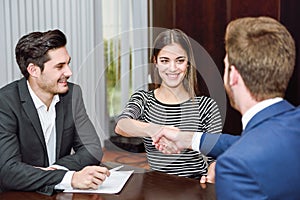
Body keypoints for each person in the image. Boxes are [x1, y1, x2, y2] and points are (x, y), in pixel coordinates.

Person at [152, 16, 300, 199]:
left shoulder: (235, 167)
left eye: (225, 66)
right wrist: (188, 139)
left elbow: (251, 150)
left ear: (233, 76)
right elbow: (259, 144)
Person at [0, 29, 110, 195]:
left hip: (59, 193)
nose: (69, 72)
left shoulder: (73, 94)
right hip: (20, 194)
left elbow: (92, 148)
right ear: (34, 70)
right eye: (60, 66)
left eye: (68, 63)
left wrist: (57, 170)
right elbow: (8, 172)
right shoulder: (6, 102)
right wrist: (69, 178)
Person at [115, 29, 223, 179]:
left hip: (194, 186)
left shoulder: (206, 106)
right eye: (165, 60)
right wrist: (156, 130)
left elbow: (214, 157)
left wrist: (212, 175)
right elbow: (121, 125)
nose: (172, 68)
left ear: (188, 63)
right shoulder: (144, 99)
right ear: (155, 62)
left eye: (180, 60)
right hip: (156, 186)